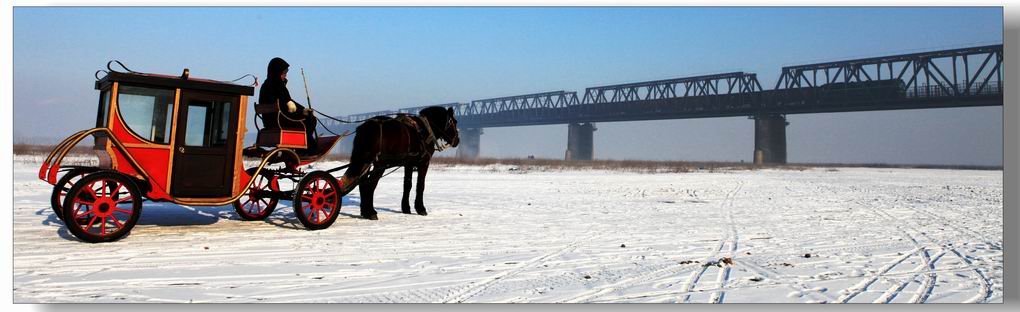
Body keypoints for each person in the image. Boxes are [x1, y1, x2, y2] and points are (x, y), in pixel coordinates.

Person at [258, 57, 319, 163]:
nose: (285, 75)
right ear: (277, 72)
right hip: (279, 120)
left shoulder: (266, 85)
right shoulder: (276, 85)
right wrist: (303, 111)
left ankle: (302, 147)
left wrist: (301, 110)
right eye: (283, 72)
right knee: (310, 120)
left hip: (270, 121)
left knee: (306, 118)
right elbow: (287, 103)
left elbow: (286, 101)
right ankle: (307, 149)